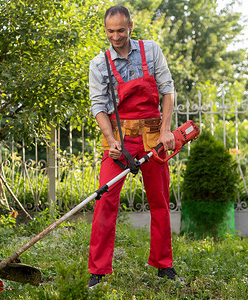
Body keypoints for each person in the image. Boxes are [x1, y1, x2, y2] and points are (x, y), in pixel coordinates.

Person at [88, 5, 184, 288]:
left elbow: (167, 91)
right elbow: (98, 107)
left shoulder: (151, 51)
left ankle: (164, 265)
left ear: (130, 26)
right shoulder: (99, 64)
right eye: (110, 31)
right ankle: (99, 271)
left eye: (120, 30)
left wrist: (166, 130)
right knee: (105, 200)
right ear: (105, 30)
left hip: (154, 136)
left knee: (159, 201)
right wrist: (111, 140)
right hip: (119, 140)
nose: (115, 36)